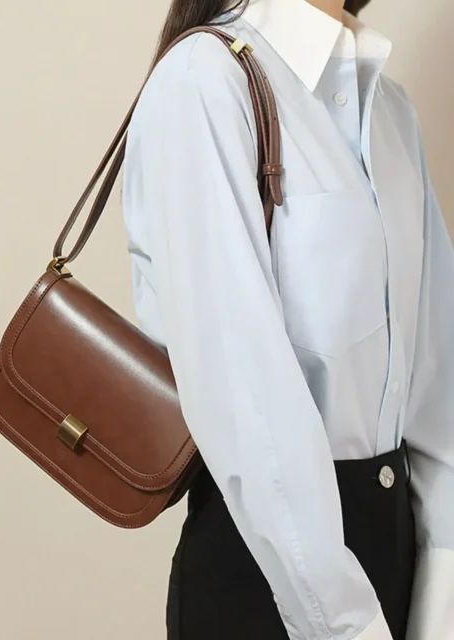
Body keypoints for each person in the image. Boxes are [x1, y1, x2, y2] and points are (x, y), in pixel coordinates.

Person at [121, 0, 454, 638]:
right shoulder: (205, 79)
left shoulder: (389, 109)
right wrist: (348, 626)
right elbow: (243, 399)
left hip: (399, 566)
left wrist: (439, 601)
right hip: (269, 584)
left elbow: (439, 386)